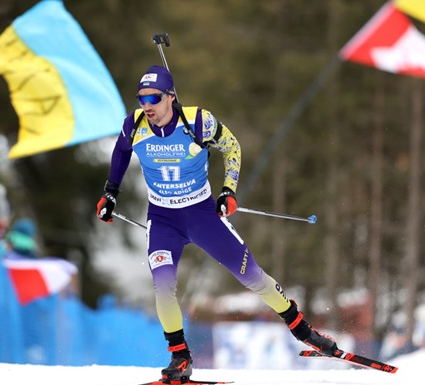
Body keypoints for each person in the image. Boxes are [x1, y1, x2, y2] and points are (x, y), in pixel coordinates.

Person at [96, 65, 339, 383]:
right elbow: (121, 152)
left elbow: (232, 147)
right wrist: (110, 193)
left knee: (252, 276)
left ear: (171, 97)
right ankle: (180, 357)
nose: (147, 105)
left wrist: (228, 191)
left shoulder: (198, 121)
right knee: (163, 285)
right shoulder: (135, 125)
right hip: (163, 219)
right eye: (142, 98)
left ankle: (303, 330)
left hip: (202, 215)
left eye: (154, 98)